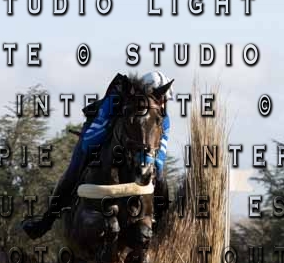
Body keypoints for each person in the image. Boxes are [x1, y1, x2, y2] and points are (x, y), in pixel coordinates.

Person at [21, 71, 173, 240]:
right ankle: (46, 221)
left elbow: (160, 155)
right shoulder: (115, 99)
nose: (162, 104)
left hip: (138, 154)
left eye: (164, 100)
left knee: (160, 177)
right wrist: (115, 128)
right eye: (160, 99)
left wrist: (149, 161)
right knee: (73, 170)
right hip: (95, 140)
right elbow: (90, 140)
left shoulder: (162, 117)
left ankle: (162, 225)